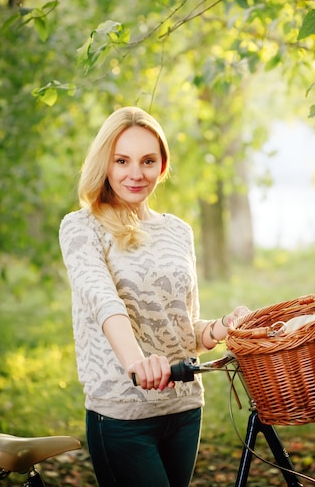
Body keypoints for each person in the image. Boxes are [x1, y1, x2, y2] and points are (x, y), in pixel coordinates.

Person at [59, 106, 249, 487]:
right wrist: (137, 363)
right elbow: (103, 301)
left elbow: (185, 326)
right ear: (105, 164)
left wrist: (220, 326)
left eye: (148, 160)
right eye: (122, 160)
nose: (136, 173)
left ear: (162, 166)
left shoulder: (179, 232)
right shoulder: (81, 226)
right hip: (122, 414)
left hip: (184, 408)